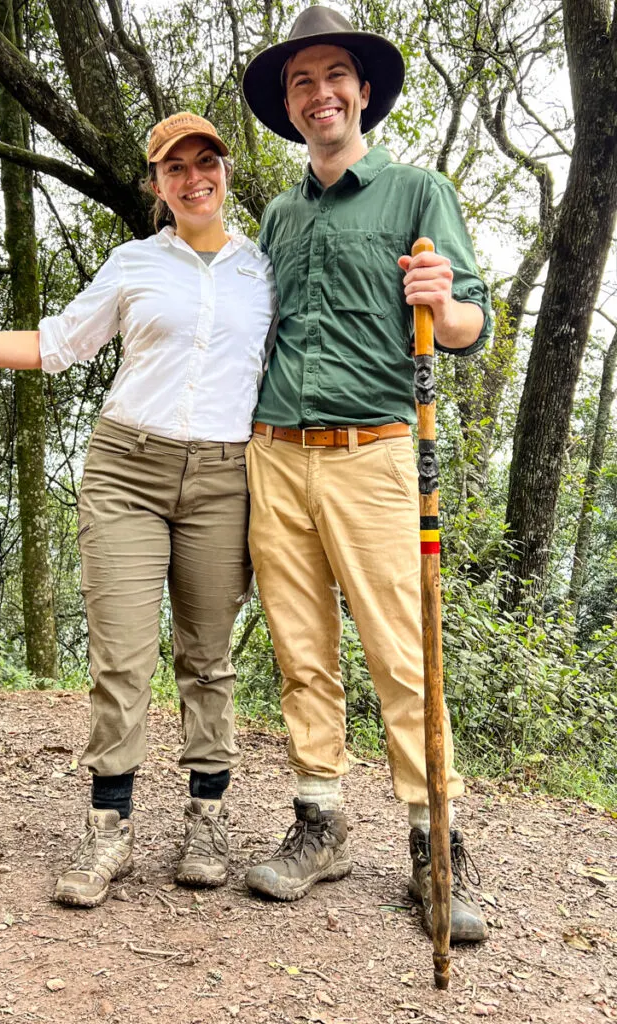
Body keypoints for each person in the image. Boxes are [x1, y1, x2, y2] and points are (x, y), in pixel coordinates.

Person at [0, 112, 276, 908]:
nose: (193, 178)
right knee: (123, 659)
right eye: (175, 169)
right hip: (126, 469)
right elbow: (56, 344)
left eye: (206, 163)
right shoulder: (134, 263)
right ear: (156, 185)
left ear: (227, 171)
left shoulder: (265, 270)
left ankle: (206, 819)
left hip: (227, 476)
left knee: (207, 655)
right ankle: (110, 830)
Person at [240, 7, 492, 942]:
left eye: (334, 75)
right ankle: (321, 825)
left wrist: (444, 304)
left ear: (365, 91)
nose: (319, 94)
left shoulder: (418, 191)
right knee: (301, 652)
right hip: (276, 453)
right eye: (301, 82)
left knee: (401, 649)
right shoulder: (278, 211)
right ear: (290, 106)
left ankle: (434, 848)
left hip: (377, 453)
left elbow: (469, 324)